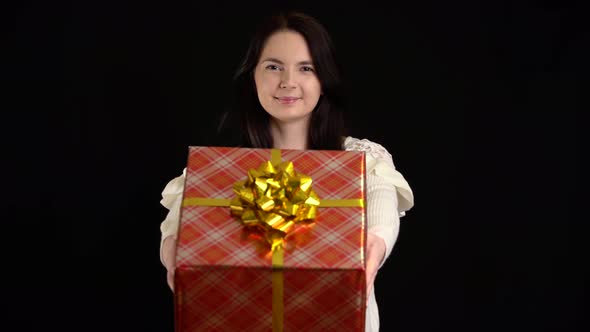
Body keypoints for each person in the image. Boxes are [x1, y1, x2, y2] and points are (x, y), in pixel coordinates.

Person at [159, 10, 414, 332]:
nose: (288, 82)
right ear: (252, 76)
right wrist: (173, 255)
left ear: (324, 79)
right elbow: (175, 232)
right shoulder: (216, 171)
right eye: (273, 66)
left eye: (306, 68)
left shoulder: (362, 158)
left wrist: (373, 248)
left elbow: (381, 219)